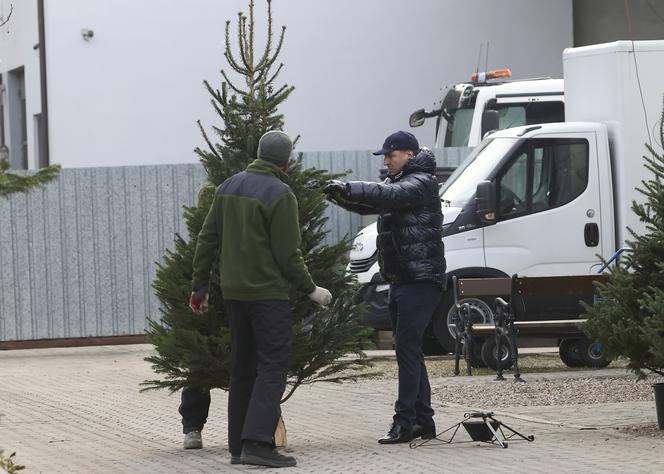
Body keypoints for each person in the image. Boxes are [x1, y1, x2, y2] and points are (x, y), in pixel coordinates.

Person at [186, 130, 332, 468]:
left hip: (234, 295)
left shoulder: (227, 187)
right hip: (269, 296)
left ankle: (238, 446)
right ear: (286, 161)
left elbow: (207, 239)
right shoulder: (281, 193)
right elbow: (288, 253)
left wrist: (200, 288)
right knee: (272, 367)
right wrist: (312, 290)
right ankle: (257, 443)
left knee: (242, 370)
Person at [324, 130, 446, 444]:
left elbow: (387, 196)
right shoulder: (403, 183)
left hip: (420, 280)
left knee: (406, 351)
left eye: (390, 156)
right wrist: (342, 197)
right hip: (404, 279)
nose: (387, 161)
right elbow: (375, 203)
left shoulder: (420, 182)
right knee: (410, 351)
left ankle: (403, 423)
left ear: (407, 154)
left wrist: (349, 187)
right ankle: (423, 421)